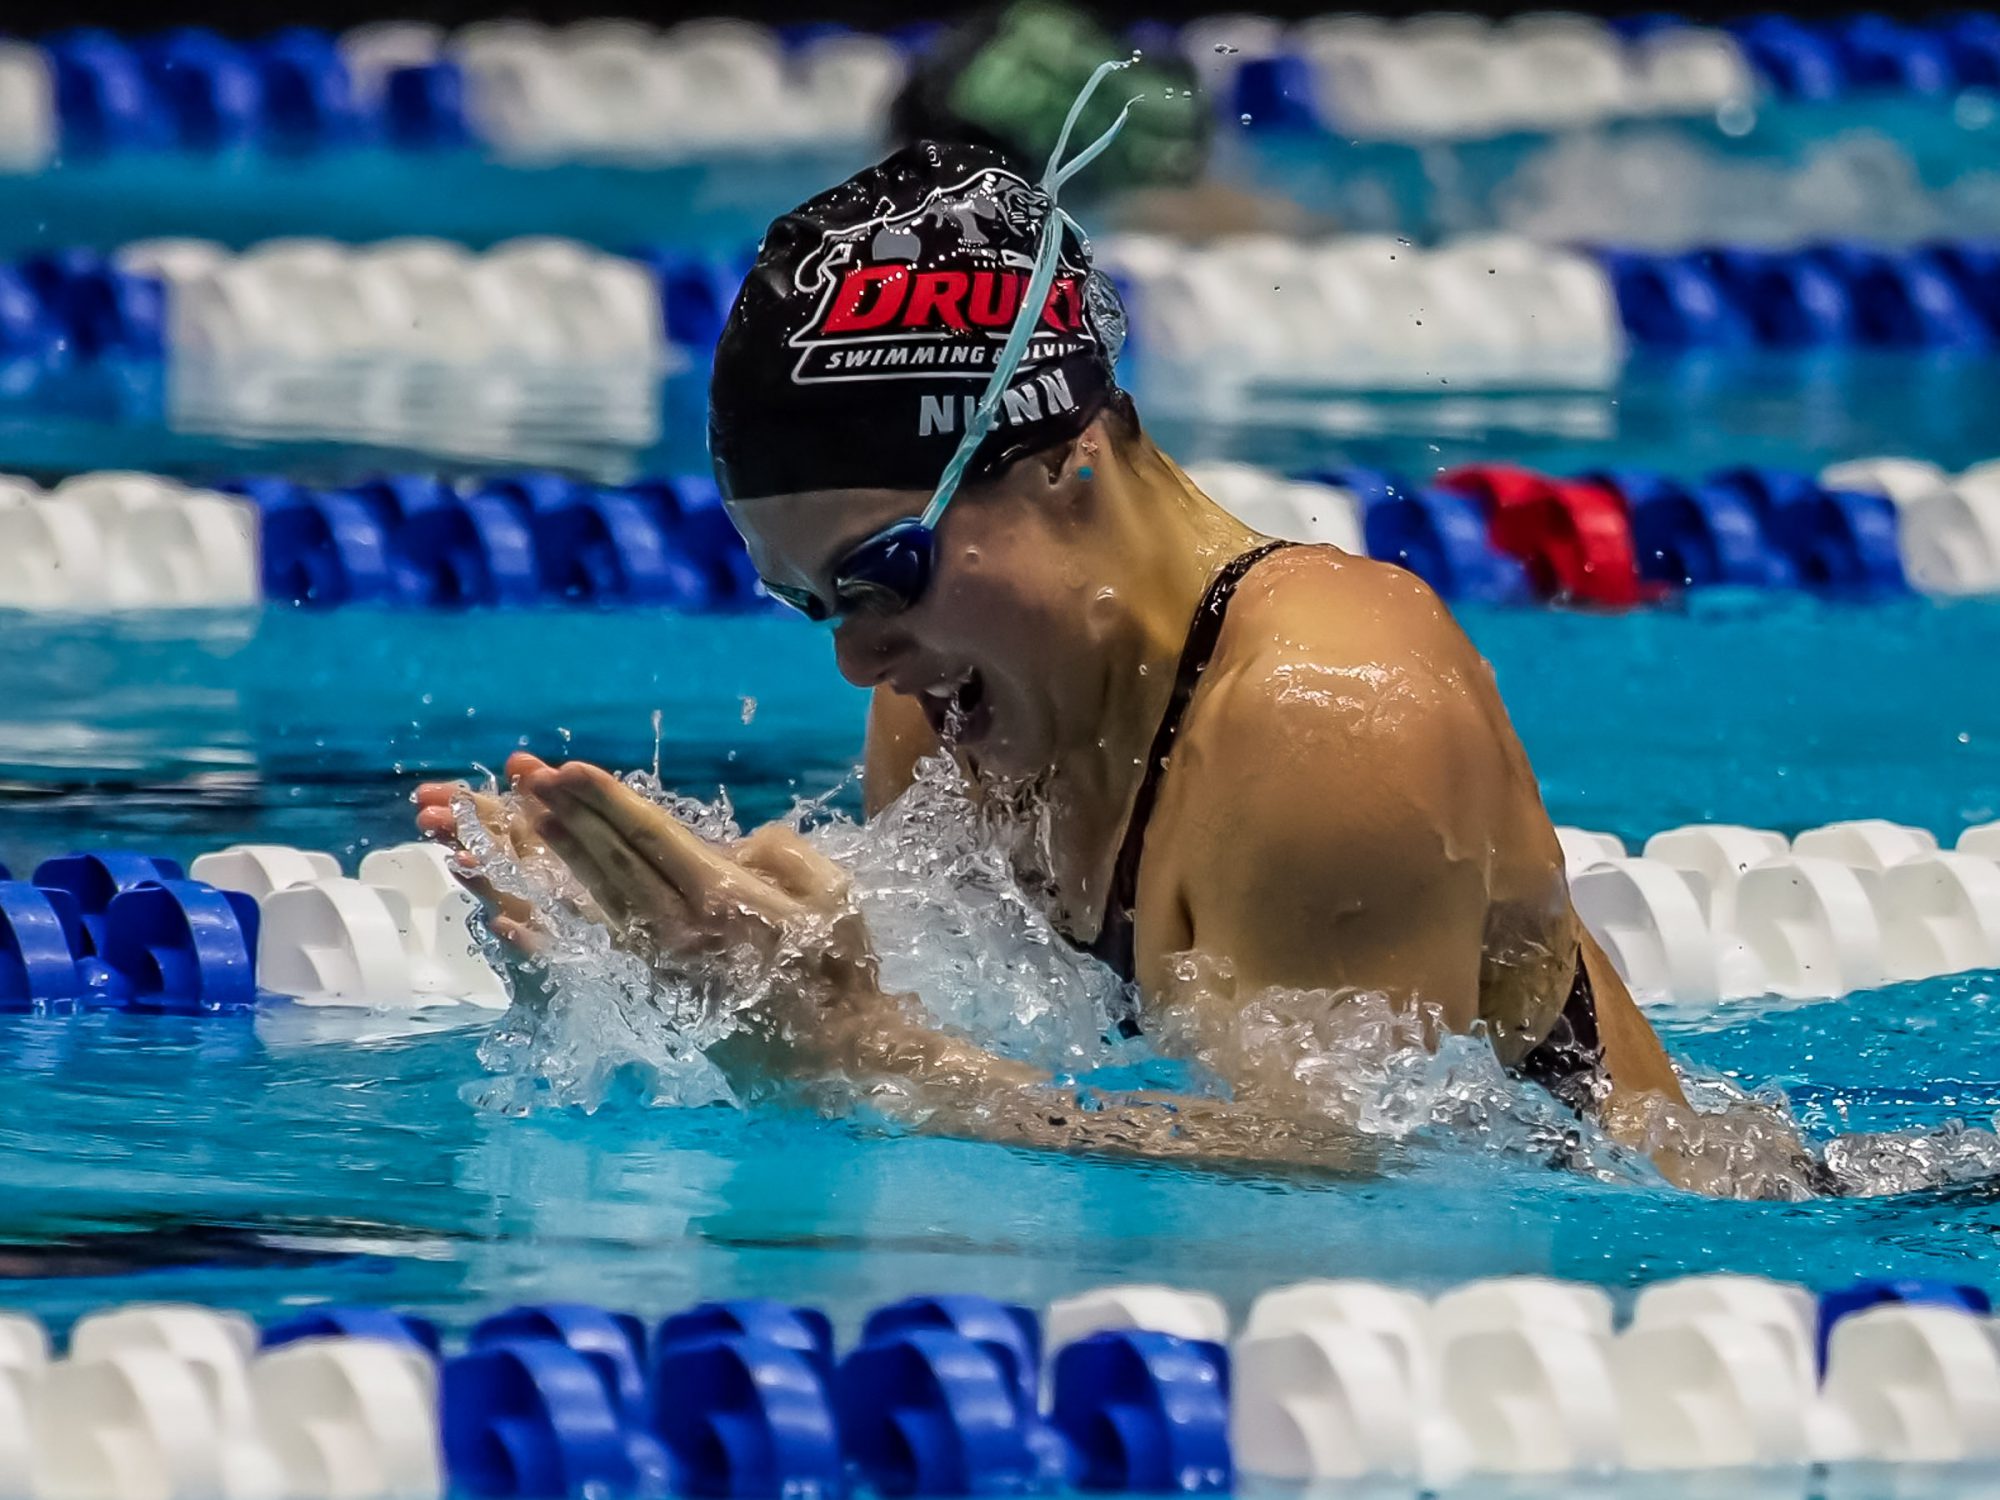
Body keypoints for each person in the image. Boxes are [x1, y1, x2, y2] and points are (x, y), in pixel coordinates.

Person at [417, 91, 1691, 1176]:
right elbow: (985, 1081)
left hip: (1665, 1307)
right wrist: (651, 1007)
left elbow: (1356, 1190)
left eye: (882, 574)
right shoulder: (946, 701)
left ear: (1064, 458)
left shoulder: (1327, 712)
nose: (858, 658)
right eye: (812, 604)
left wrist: (864, 1052)